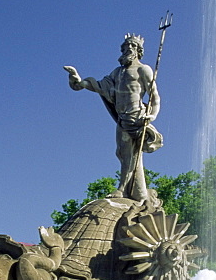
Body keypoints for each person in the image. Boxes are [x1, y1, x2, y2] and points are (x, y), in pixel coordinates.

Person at [64, 34, 163, 201]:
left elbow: (155, 97)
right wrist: (79, 81)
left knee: (132, 156)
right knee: (124, 154)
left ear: (138, 50)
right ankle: (136, 192)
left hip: (138, 117)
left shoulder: (143, 70)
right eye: (124, 48)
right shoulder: (117, 73)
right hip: (123, 119)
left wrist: (151, 115)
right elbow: (100, 86)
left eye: (130, 47)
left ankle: (124, 189)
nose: (126, 50)